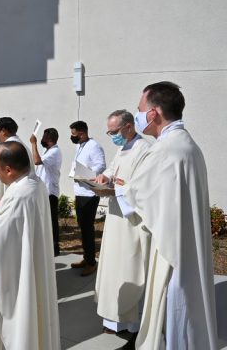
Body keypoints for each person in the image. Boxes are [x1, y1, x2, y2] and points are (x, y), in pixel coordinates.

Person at [97, 82, 216, 350]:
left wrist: (115, 187)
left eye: (140, 110)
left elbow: (139, 196)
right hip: (186, 247)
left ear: (153, 113)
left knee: (174, 318)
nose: (137, 116)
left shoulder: (164, 151)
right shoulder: (187, 145)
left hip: (172, 254)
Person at [0, 141, 60, 349]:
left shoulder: (19, 195)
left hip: (15, 276)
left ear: (8, 170)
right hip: (28, 263)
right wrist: (0, 207)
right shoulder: (33, 183)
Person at [92, 109, 152, 339]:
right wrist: (104, 177)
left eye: (114, 131)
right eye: (109, 132)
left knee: (128, 266)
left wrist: (117, 187)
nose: (112, 136)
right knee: (113, 269)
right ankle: (112, 318)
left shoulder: (144, 150)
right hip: (116, 216)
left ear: (128, 126)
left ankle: (131, 323)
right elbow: (113, 169)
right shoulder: (123, 147)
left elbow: (143, 187)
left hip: (131, 221)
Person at [69, 120, 106, 277]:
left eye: (74, 134)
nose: (72, 137)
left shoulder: (94, 146)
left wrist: (85, 174)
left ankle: (91, 262)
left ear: (82, 133)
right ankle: (86, 257)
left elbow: (101, 166)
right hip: (79, 191)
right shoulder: (79, 145)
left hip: (89, 193)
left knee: (88, 228)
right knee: (82, 227)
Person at [30, 127, 63, 256]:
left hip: (50, 192)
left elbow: (37, 161)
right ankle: (48, 246)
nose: (41, 140)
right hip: (43, 191)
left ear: (49, 140)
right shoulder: (47, 150)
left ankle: (54, 248)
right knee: (45, 220)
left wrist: (33, 143)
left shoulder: (54, 152)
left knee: (51, 221)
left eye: (43, 138)